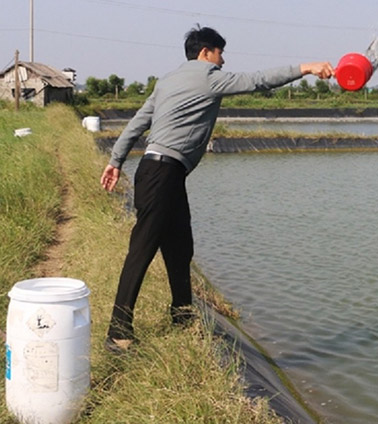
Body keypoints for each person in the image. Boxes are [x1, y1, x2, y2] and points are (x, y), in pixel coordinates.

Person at [100, 25, 334, 353]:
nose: (223, 60)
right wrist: (306, 68)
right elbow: (258, 80)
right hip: (162, 175)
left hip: (159, 172)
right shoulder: (209, 77)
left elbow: (138, 123)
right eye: (220, 52)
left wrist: (116, 160)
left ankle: (182, 315)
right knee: (142, 248)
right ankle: (118, 331)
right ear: (205, 52)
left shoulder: (166, 81)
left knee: (180, 246)